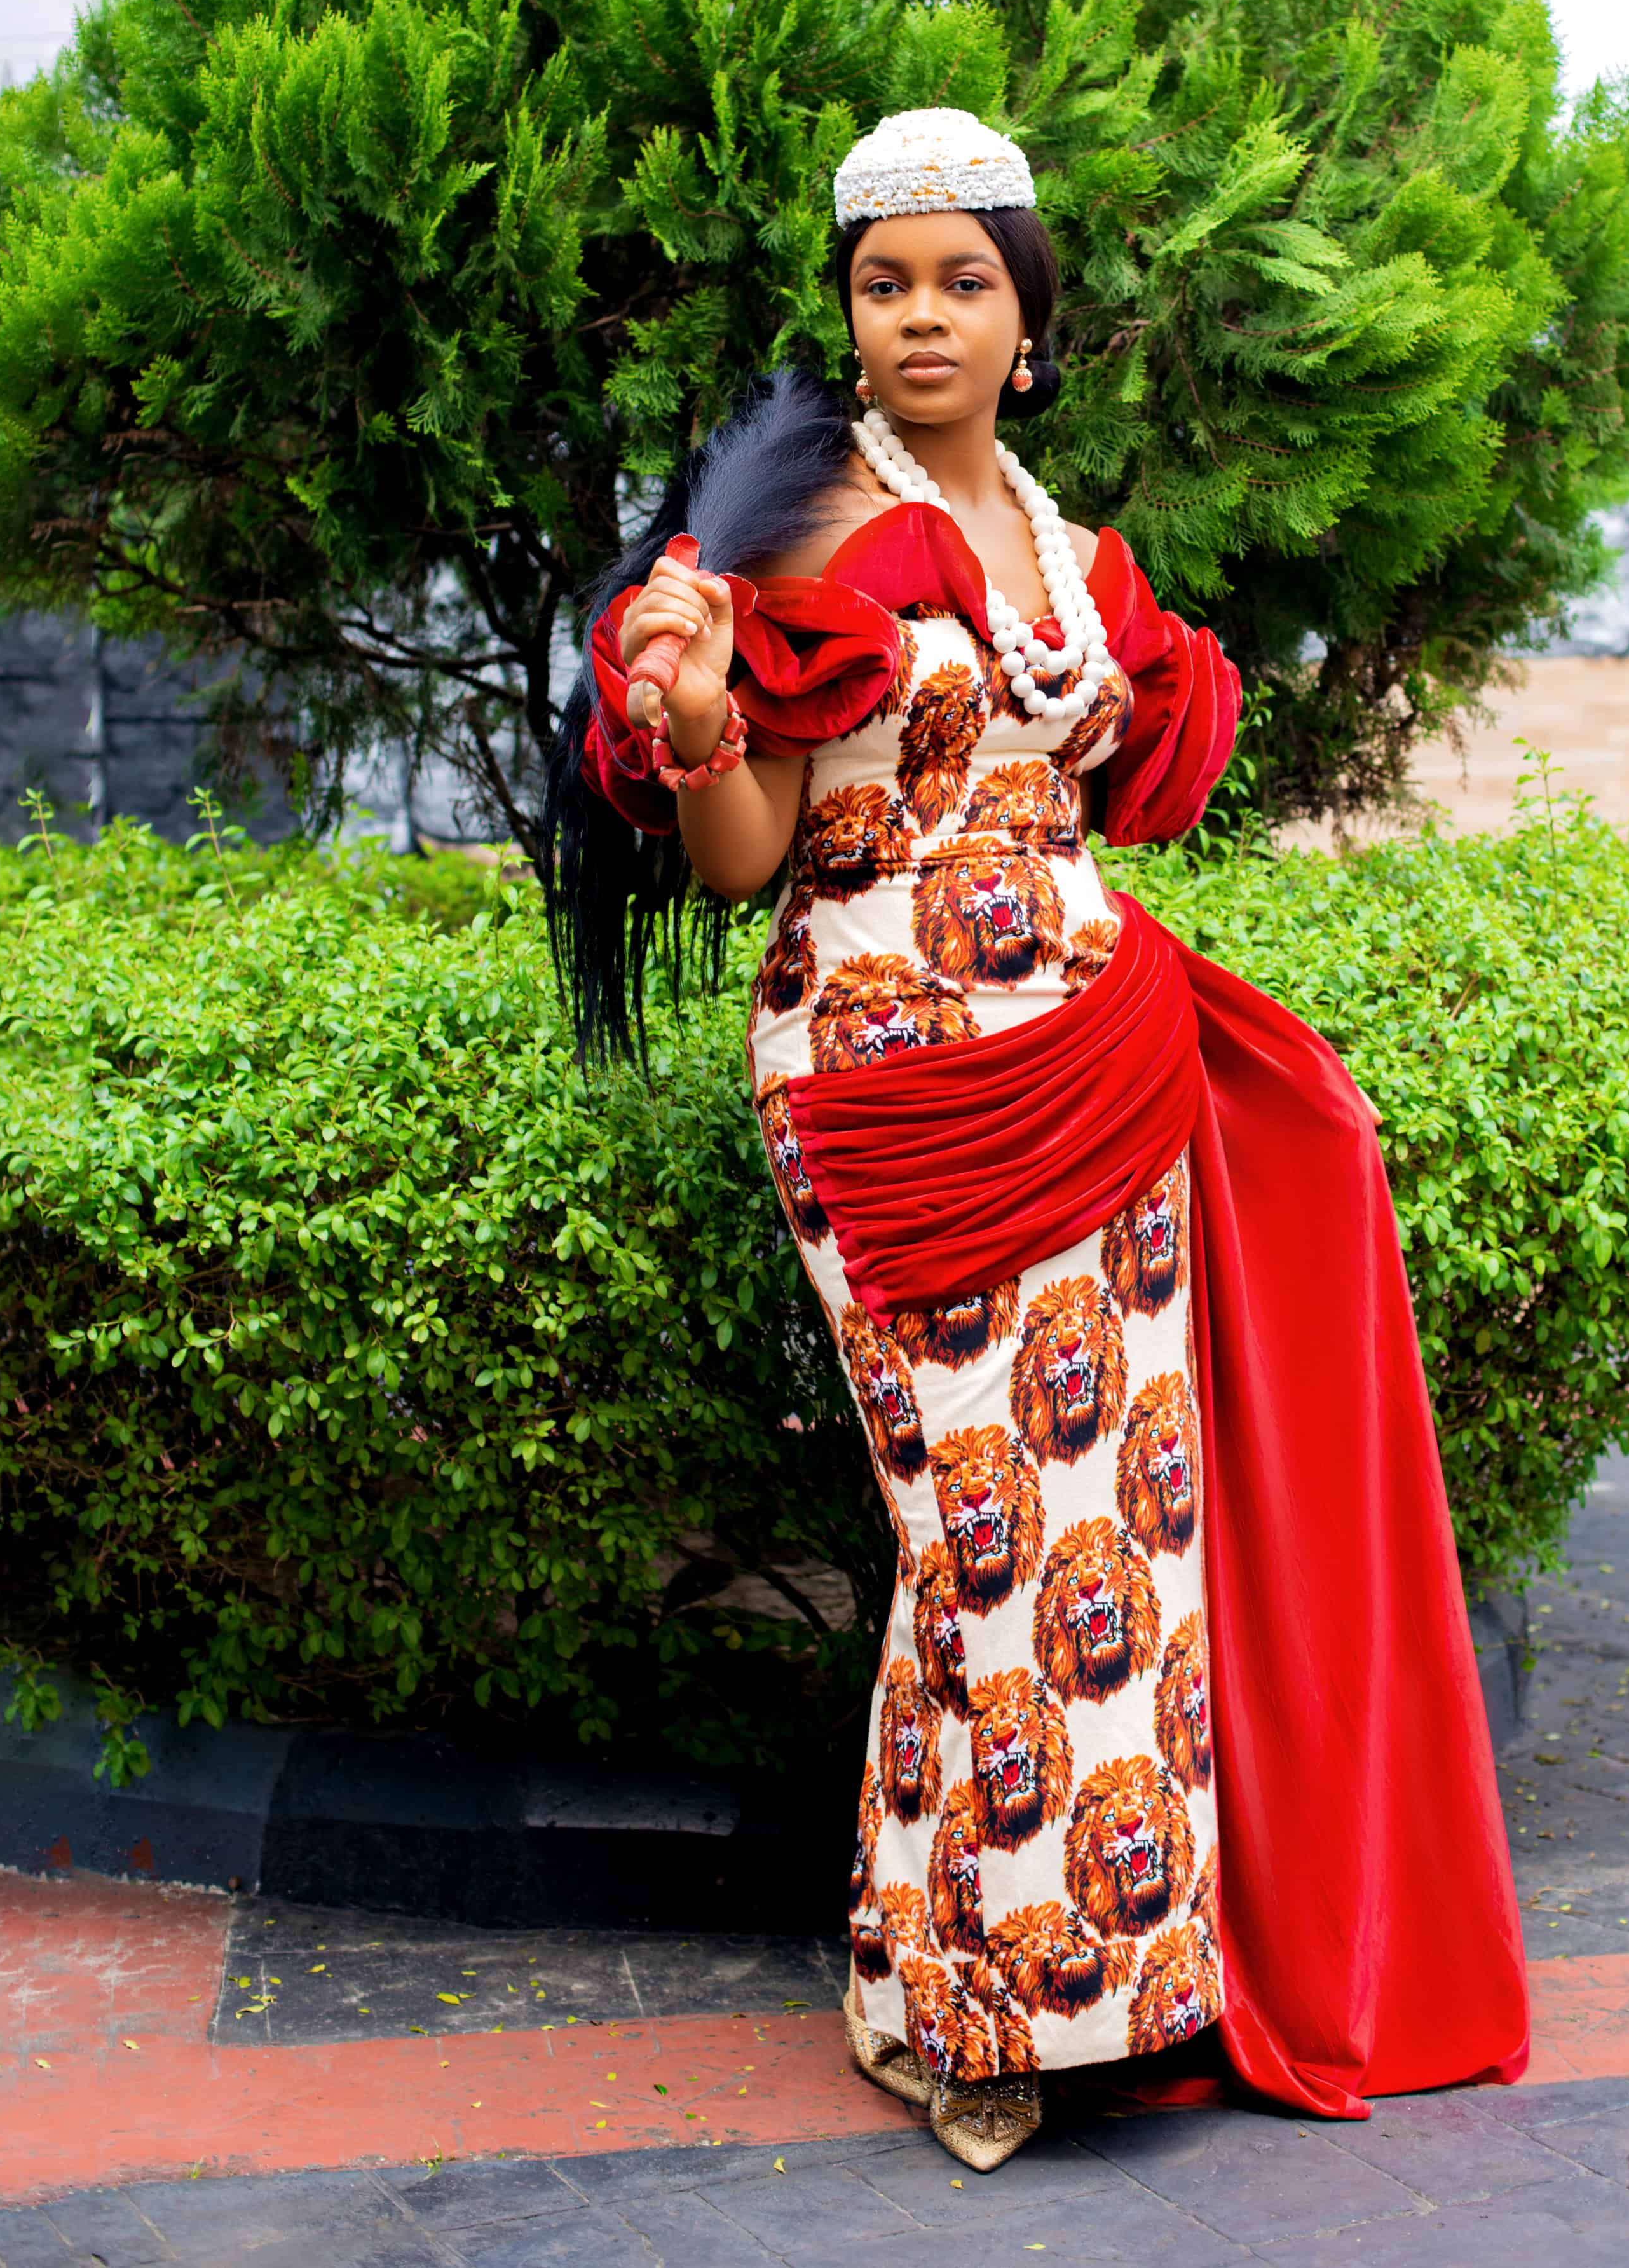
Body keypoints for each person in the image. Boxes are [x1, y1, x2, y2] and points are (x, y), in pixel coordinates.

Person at [542, 109, 1530, 2171]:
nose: (920, 315)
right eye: (883, 282)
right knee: (978, 1524)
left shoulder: (1075, 561)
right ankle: (996, 2002)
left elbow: (1129, 790)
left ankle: (965, 1976)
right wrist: (701, 717)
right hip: (891, 1076)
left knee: (1119, 1530)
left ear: (1025, 319)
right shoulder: (797, 539)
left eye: (961, 280)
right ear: (849, 313)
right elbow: (742, 857)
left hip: (1103, 1058)